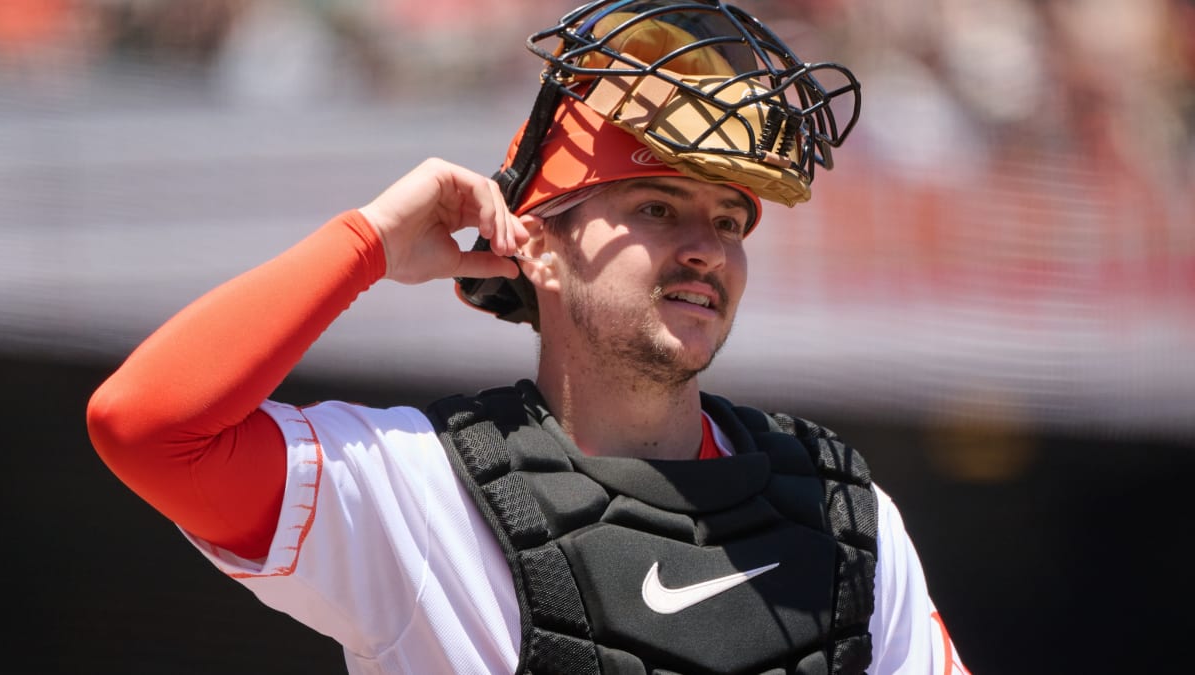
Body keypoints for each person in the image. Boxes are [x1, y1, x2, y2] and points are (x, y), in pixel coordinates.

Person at [87, 1, 968, 673]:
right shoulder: (417, 492)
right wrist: (369, 244)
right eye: (657, 207)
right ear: (538, 246)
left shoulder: (847, 516)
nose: (707, 249)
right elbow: (148, 426)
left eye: (731, 219)